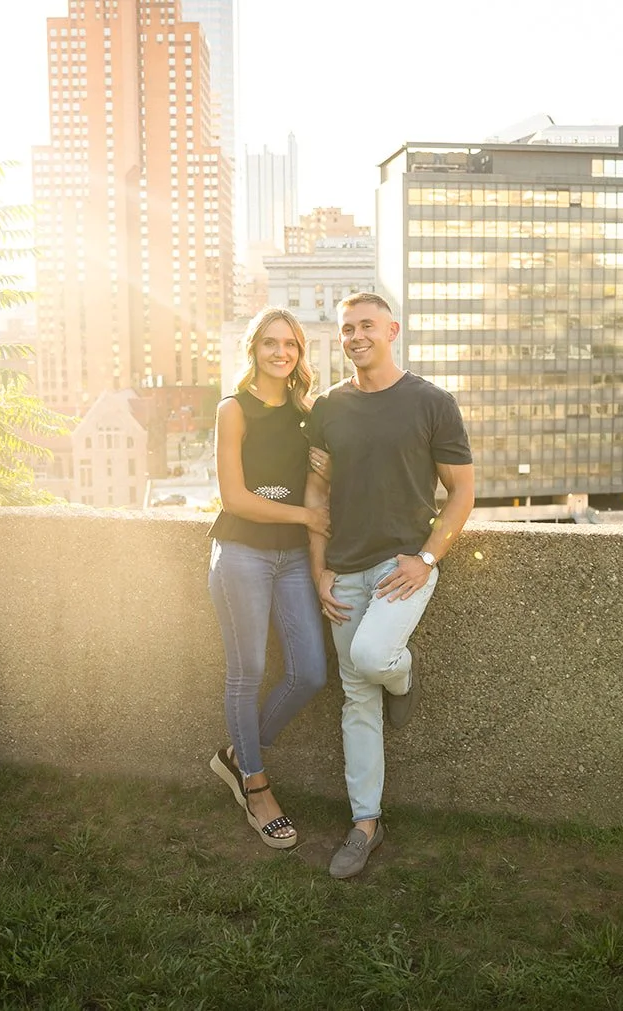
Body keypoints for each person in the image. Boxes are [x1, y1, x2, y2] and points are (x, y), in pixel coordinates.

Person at [305, 292, 475, 879]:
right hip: (344, 568)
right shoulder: (327, 407)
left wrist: (427, 558)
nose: (355, 336)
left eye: (367, 326)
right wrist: (319, 567)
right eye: (347, 328)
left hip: (402, 567)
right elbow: (317, 495)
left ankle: (402, 672)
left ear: (393, 331)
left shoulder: (432, 402)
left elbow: (462, 491)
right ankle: (365, 825)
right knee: (356, 698)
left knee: (374, 657)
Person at [206, 307, 330, 849]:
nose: (281, 353)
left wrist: (327, 469)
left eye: (292, 346)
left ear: (300, 354)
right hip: (242, 553)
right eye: (270, 344)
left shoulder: (307, 413)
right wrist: (306, 517)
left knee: (310, 674)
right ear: (253, 349)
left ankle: (237, 753)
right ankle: (256, 787)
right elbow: (234, 498)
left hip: (294, 559)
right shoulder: (233, 410)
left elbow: (316, 481)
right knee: (247, 670)